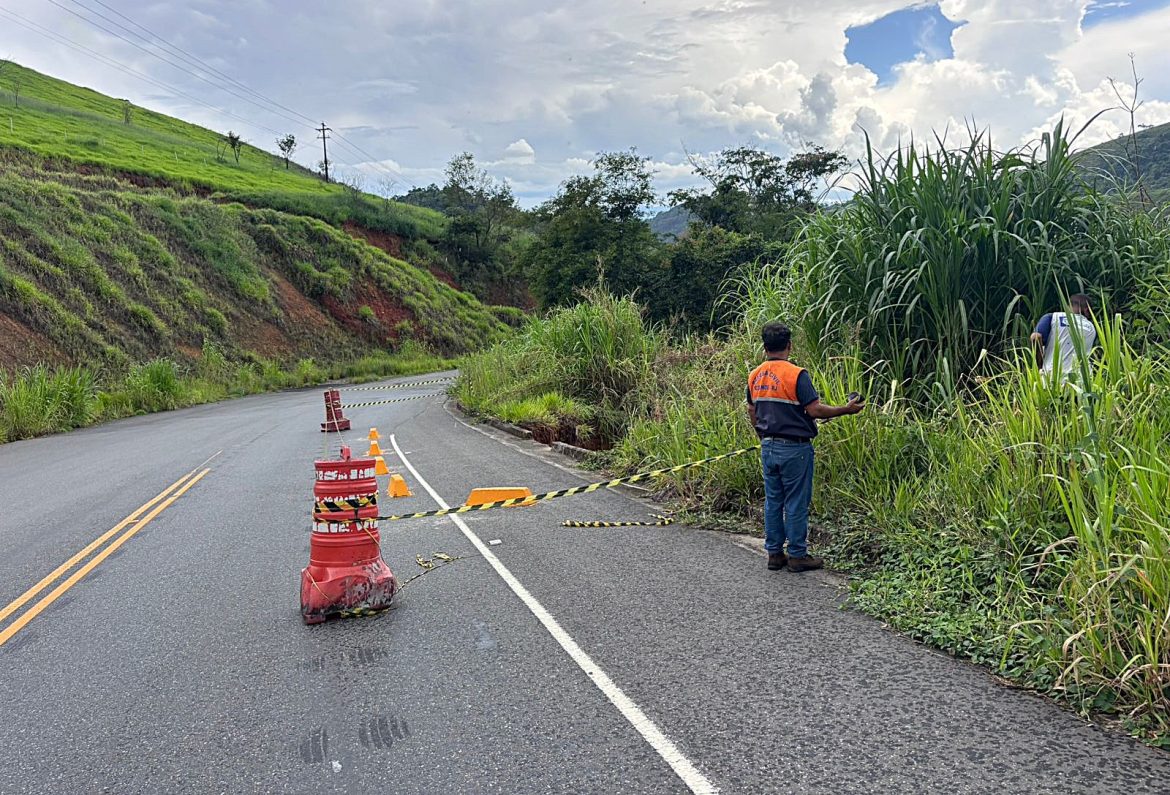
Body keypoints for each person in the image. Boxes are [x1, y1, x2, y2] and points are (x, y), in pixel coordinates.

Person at [747, 322, 864, 573]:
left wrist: (762, 434)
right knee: (796, 502)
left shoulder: (755, 375)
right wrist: (846, 409)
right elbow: (815, 410)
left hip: (768, 447)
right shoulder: (797, 374)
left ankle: (775, 554)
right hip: (795, 449)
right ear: (789, 345)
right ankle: (798, 555)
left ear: (765, 347)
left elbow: (752, 410)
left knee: (773, 501)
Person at [1030, 294, 1096, 377]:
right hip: (1081, 378)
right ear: (1087, 310)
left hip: (1053, 375)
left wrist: (1039, 364)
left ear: (1069, 306)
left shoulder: (1053, 317)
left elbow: (1036, 337)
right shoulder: (1091, 327)